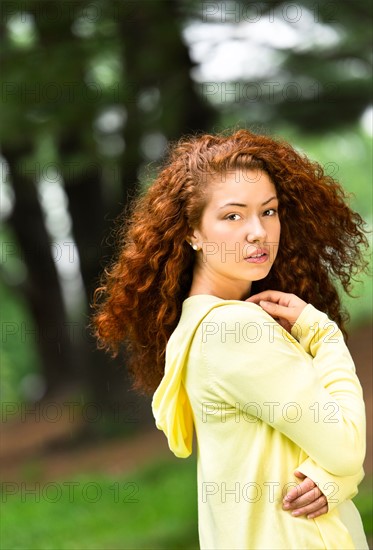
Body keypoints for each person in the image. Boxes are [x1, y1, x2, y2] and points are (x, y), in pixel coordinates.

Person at [93, 129, 369, 549]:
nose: (258, 232)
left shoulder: (197, 326)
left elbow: (320, 454)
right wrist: (325, 335)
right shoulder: (236, 330)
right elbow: (346, 446)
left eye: (269, 211)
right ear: (193, 232)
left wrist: (336, 478)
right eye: (233, 216)